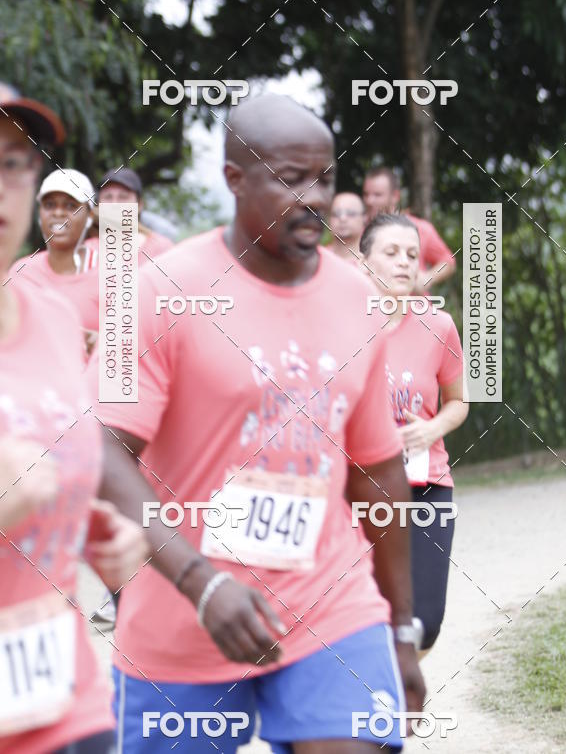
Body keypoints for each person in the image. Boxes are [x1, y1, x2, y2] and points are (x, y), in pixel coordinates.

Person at [92, 93, 425, 753]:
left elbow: (378, 472)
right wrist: (201, 581)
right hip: (182, 617)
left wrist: (402, 629)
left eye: (325, 176)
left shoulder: (359, 299)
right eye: (290, 177)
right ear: (234, 178)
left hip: (330, 607)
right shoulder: (160, 290)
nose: (315, 197)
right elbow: (100, 450)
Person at [0, 84, 148, 754]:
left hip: (63, 692)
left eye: (11, 163)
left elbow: (67, 456)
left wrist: (95, 530)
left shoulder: (56, 314)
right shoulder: (37, 278)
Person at [360, 212, 469, 655]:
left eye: (412, 254)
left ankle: (398, 685)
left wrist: (433, 428)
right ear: (364, 262)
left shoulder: (438, 325)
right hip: (358, 491)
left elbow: (458, 401)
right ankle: (378, 709)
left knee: (426, 623)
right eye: (391, 253)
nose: (405, 263)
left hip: (427, 487)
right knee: (366, 617)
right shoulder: (343, 327)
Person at [9, 166, 100, 355]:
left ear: (90, 216)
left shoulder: (115, 277)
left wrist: (103, 345)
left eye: (70, 206)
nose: (58, 213)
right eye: (49, 205)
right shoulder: (21, 272)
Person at [362, 167, 456, 292]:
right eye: (366, 194)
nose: (369, 201)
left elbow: (448, 262)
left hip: (416, 307)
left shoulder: (420, 228)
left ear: (395, 196)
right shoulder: (357, 230)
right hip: (370, 307)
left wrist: (427, 278)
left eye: (377, 195)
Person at [86, 167, 174, 264]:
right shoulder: (84, 252)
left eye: (123, 197)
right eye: (108, 197)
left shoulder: (162, 249)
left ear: (139, 204)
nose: (114, 204)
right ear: (98, 204)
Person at [328, 191, 367, 264]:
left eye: (350, 213)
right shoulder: (317, 259)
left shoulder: (371, 260)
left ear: (364, 218)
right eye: (336, 214)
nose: (342, 218)